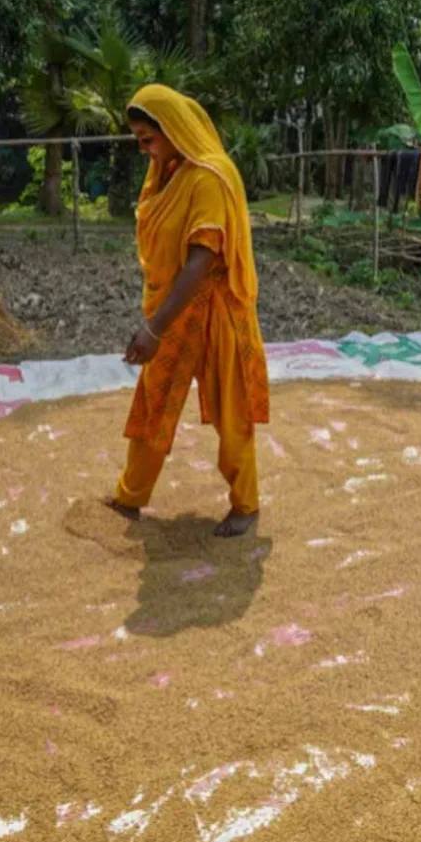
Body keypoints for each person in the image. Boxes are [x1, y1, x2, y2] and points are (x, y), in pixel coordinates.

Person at [104, 84, 270, 538]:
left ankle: (246, 506)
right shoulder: (168, 174)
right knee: (154, 401)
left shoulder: (209, 178)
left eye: (147, 139)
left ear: (173, 128)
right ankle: (130, 495)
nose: (143, 149)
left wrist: (154, 329)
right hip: (178, 313)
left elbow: (202, 258)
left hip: (217, 313)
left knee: (231, 409)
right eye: (138, 140)